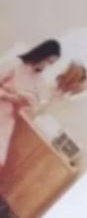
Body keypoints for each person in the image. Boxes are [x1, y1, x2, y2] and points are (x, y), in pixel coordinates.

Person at [0, 39, 62, 170]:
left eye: (51, 63)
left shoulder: (38, 82)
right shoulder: (16, 64)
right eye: (48, 60)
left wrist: (25, 102)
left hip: (7, 121)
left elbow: (32, 107)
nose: (47, 65)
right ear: (42, 53)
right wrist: (9, 96)